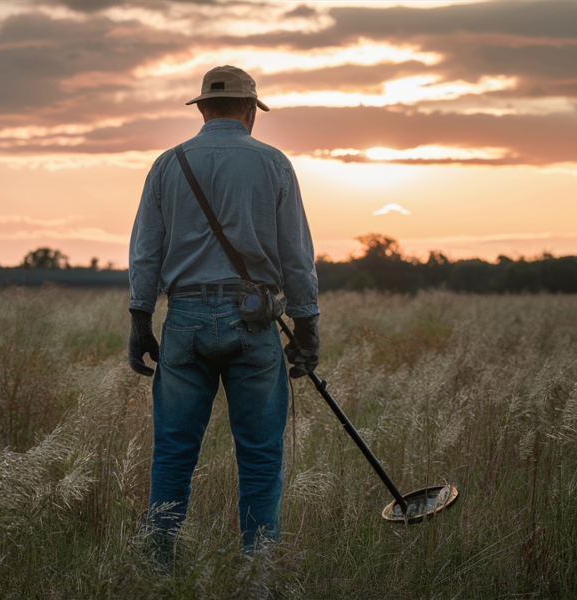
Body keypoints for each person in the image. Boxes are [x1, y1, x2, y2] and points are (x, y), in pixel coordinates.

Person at [127, 65, 320, 554]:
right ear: (251, 110)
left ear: (203, 109)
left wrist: (139, 319)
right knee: (259, 457)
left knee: (172, 455)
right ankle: (258, 570)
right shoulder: (273, 163)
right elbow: (296, 254)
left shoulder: (168, 164)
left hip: (184, 322)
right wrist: (307, 328)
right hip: (253, 323)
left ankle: (157, 570)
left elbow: (146, 251)